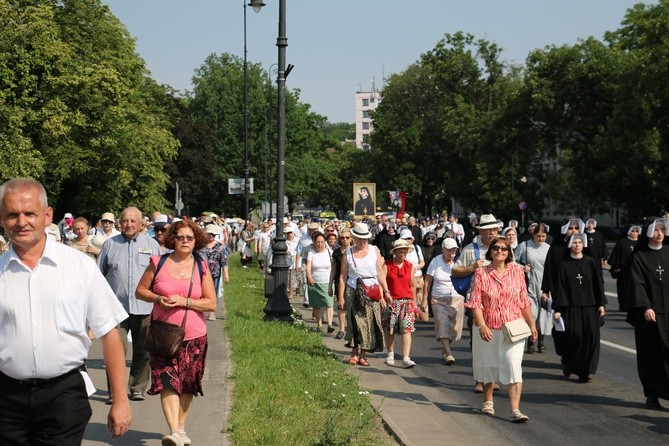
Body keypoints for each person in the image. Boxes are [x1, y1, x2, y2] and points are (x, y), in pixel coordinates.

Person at [0, 177, 131, 443]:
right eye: (12, 214)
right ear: (2, 219)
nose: (21, 222)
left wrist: (120, 401)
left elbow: (109, 333)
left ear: (48, 216)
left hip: (64, 395)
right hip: (6, 399)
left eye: (30, 213)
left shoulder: (79, 267)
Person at [136, 219, 217, 446]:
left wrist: (185, 301)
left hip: (194, 335)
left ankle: (180, 430)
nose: (184, 241)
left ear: (195, 241)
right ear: (173, 239)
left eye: (189, 238)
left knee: (188, 384)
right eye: (180, 237)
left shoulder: (201, 266)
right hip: (163, 335)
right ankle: (173, 430)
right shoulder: (158, 262)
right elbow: (140, 291)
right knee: (167, 381)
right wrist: (158, 298)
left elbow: (211, 304)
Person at [465, 236, 537, 422]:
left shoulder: (517, 272)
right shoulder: (481, 273)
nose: (500, 251)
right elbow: (475, 302)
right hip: (488, 327)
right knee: (489, 365)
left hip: (513, 327)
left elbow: (523, 300)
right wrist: (481, 325)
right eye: (496, 248)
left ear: (509, 252)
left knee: (513, 365)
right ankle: (488, 402)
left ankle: (515, 410)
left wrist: (532, 324)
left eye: (504, 249)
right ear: (491, 251)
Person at [98, 206, 162, 403]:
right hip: (116, 309)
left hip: (144, 308)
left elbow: (160, 277)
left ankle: (137, 387)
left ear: (141, 223)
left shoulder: (152, 245)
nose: (129, 224)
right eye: (125, 220)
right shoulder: (110, 245)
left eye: (133, 221)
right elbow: (98, 276)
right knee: (115, 351)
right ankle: (114, 392)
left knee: (143, 350)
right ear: (120, 222)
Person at [452, 213, 503, 393]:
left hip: (499, 304)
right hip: (477, 304)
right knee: (479, 342)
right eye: (488, 230)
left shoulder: (503, 248)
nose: (492, 233)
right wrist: (472, 267)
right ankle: (480, 379)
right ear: (480, 231)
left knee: (498, 341)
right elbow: (455, 271)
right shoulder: (470, 249)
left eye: (495, 229)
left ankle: (492, 377)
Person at [626, 217, 669, 408]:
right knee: (650, 354)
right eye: (656, 230)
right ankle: (651, 393)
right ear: (648, 232)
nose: (659, 233)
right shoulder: (639, 256)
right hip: (649, 315)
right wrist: (645, 306)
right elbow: (637, 284)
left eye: (662, 230)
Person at [552, 233, 606, 383]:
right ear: (570, 245)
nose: (577, 245)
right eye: (574, 242)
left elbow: (597, 284)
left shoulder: (590, 262)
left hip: (589, 306)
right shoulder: (563, 264)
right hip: (571, 307)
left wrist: (601, 303)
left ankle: (585, 371)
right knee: (574, 337)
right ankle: (569, 363)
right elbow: (560, 288)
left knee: (590, 338)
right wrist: (558, 309)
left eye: (580, 242)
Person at [338, 222, 389, 367]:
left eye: (364, 239)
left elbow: (380, 273)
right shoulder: (348, 253)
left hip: (371, 291)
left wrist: (385, 292)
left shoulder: (374, 251)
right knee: (355, 323)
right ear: (354, 238)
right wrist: (341, 297)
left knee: (369, 324)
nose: (362, 242)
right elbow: (343, 276)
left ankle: (363, 354)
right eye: (359, 239)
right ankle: (354, 352)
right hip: (353, 290)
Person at [382, 239, 423, 368]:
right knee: (390, 329)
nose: (402, 255)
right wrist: (383, 298)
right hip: (391, 301)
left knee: (407, 330)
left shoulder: (410, 266)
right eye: (400, 252)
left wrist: (414, 304)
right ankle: (390, 354)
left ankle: (406, 357)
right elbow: (381, 283)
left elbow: (412, 286)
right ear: (394, 252)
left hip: (407, 302)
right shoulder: (387, 265)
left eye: (405, 252)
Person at [424, 238, 465, 365]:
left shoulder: (459, 261)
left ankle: (445, 348)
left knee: (454, 329)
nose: (451, 253)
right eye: (448, 250)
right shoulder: (435, 261)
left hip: (457, 299)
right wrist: (425, 299)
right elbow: (427, 281)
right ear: (442, 250)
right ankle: (448, 353)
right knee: (442, 324)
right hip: (438, 299)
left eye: (454, 250)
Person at [514, 223, 552, 353]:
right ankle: (530, 342)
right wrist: (523, 268)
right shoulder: (524, 246)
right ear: (533, 235)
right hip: (529, 283)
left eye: (543, 236)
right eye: (538, 236)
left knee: (544, 314)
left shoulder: (548, 248)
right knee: (532, 313)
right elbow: (513, 262)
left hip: (545, 284)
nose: (541, 239)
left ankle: (541, 342)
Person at [198, 223, 229, 321]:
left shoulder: (219, 246)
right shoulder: (201, 246)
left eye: (213, 234)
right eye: (209, 234)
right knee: (200, 291)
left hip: (215, 273)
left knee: (213, 292)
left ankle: (212, 312)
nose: (210, 236)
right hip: (201, 272)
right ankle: (200, 309)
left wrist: (226, 274)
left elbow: (224, 261)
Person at [608, 224, 641, 311]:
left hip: (637, 270)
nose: (634, 233)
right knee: (623, 288)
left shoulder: (641, 242)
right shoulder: (622, 242)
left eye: (636, 231)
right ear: (628, 232)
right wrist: (616, 267)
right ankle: (623, 305)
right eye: (632, 231)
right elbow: (616, 255)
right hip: (624, 271)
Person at [307, 232, 335, 332]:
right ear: (314, 242)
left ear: (325, 242)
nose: (319, 244)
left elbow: (333, 266)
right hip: (315, 282)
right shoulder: (311, 252)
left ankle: (330, 324)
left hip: (327, 281)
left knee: (329, 303)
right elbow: (308, 266)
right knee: (317, 305)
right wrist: (309, 276)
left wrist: (332, 280)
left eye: (322, 242)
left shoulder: (329, 252)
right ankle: (319, 324)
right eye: (317, 242)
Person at [330, 227, 352, 340]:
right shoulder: (336, 252)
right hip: (340, 281)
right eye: (342, 238)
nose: (345, 240)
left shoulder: (355, 251)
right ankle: (342, 329)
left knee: (352, 306)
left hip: (353, 282)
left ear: (351, 238)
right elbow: (333, 269)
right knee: (341, 305)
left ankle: (351, 328)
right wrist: (330, 285)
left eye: (347, 237)